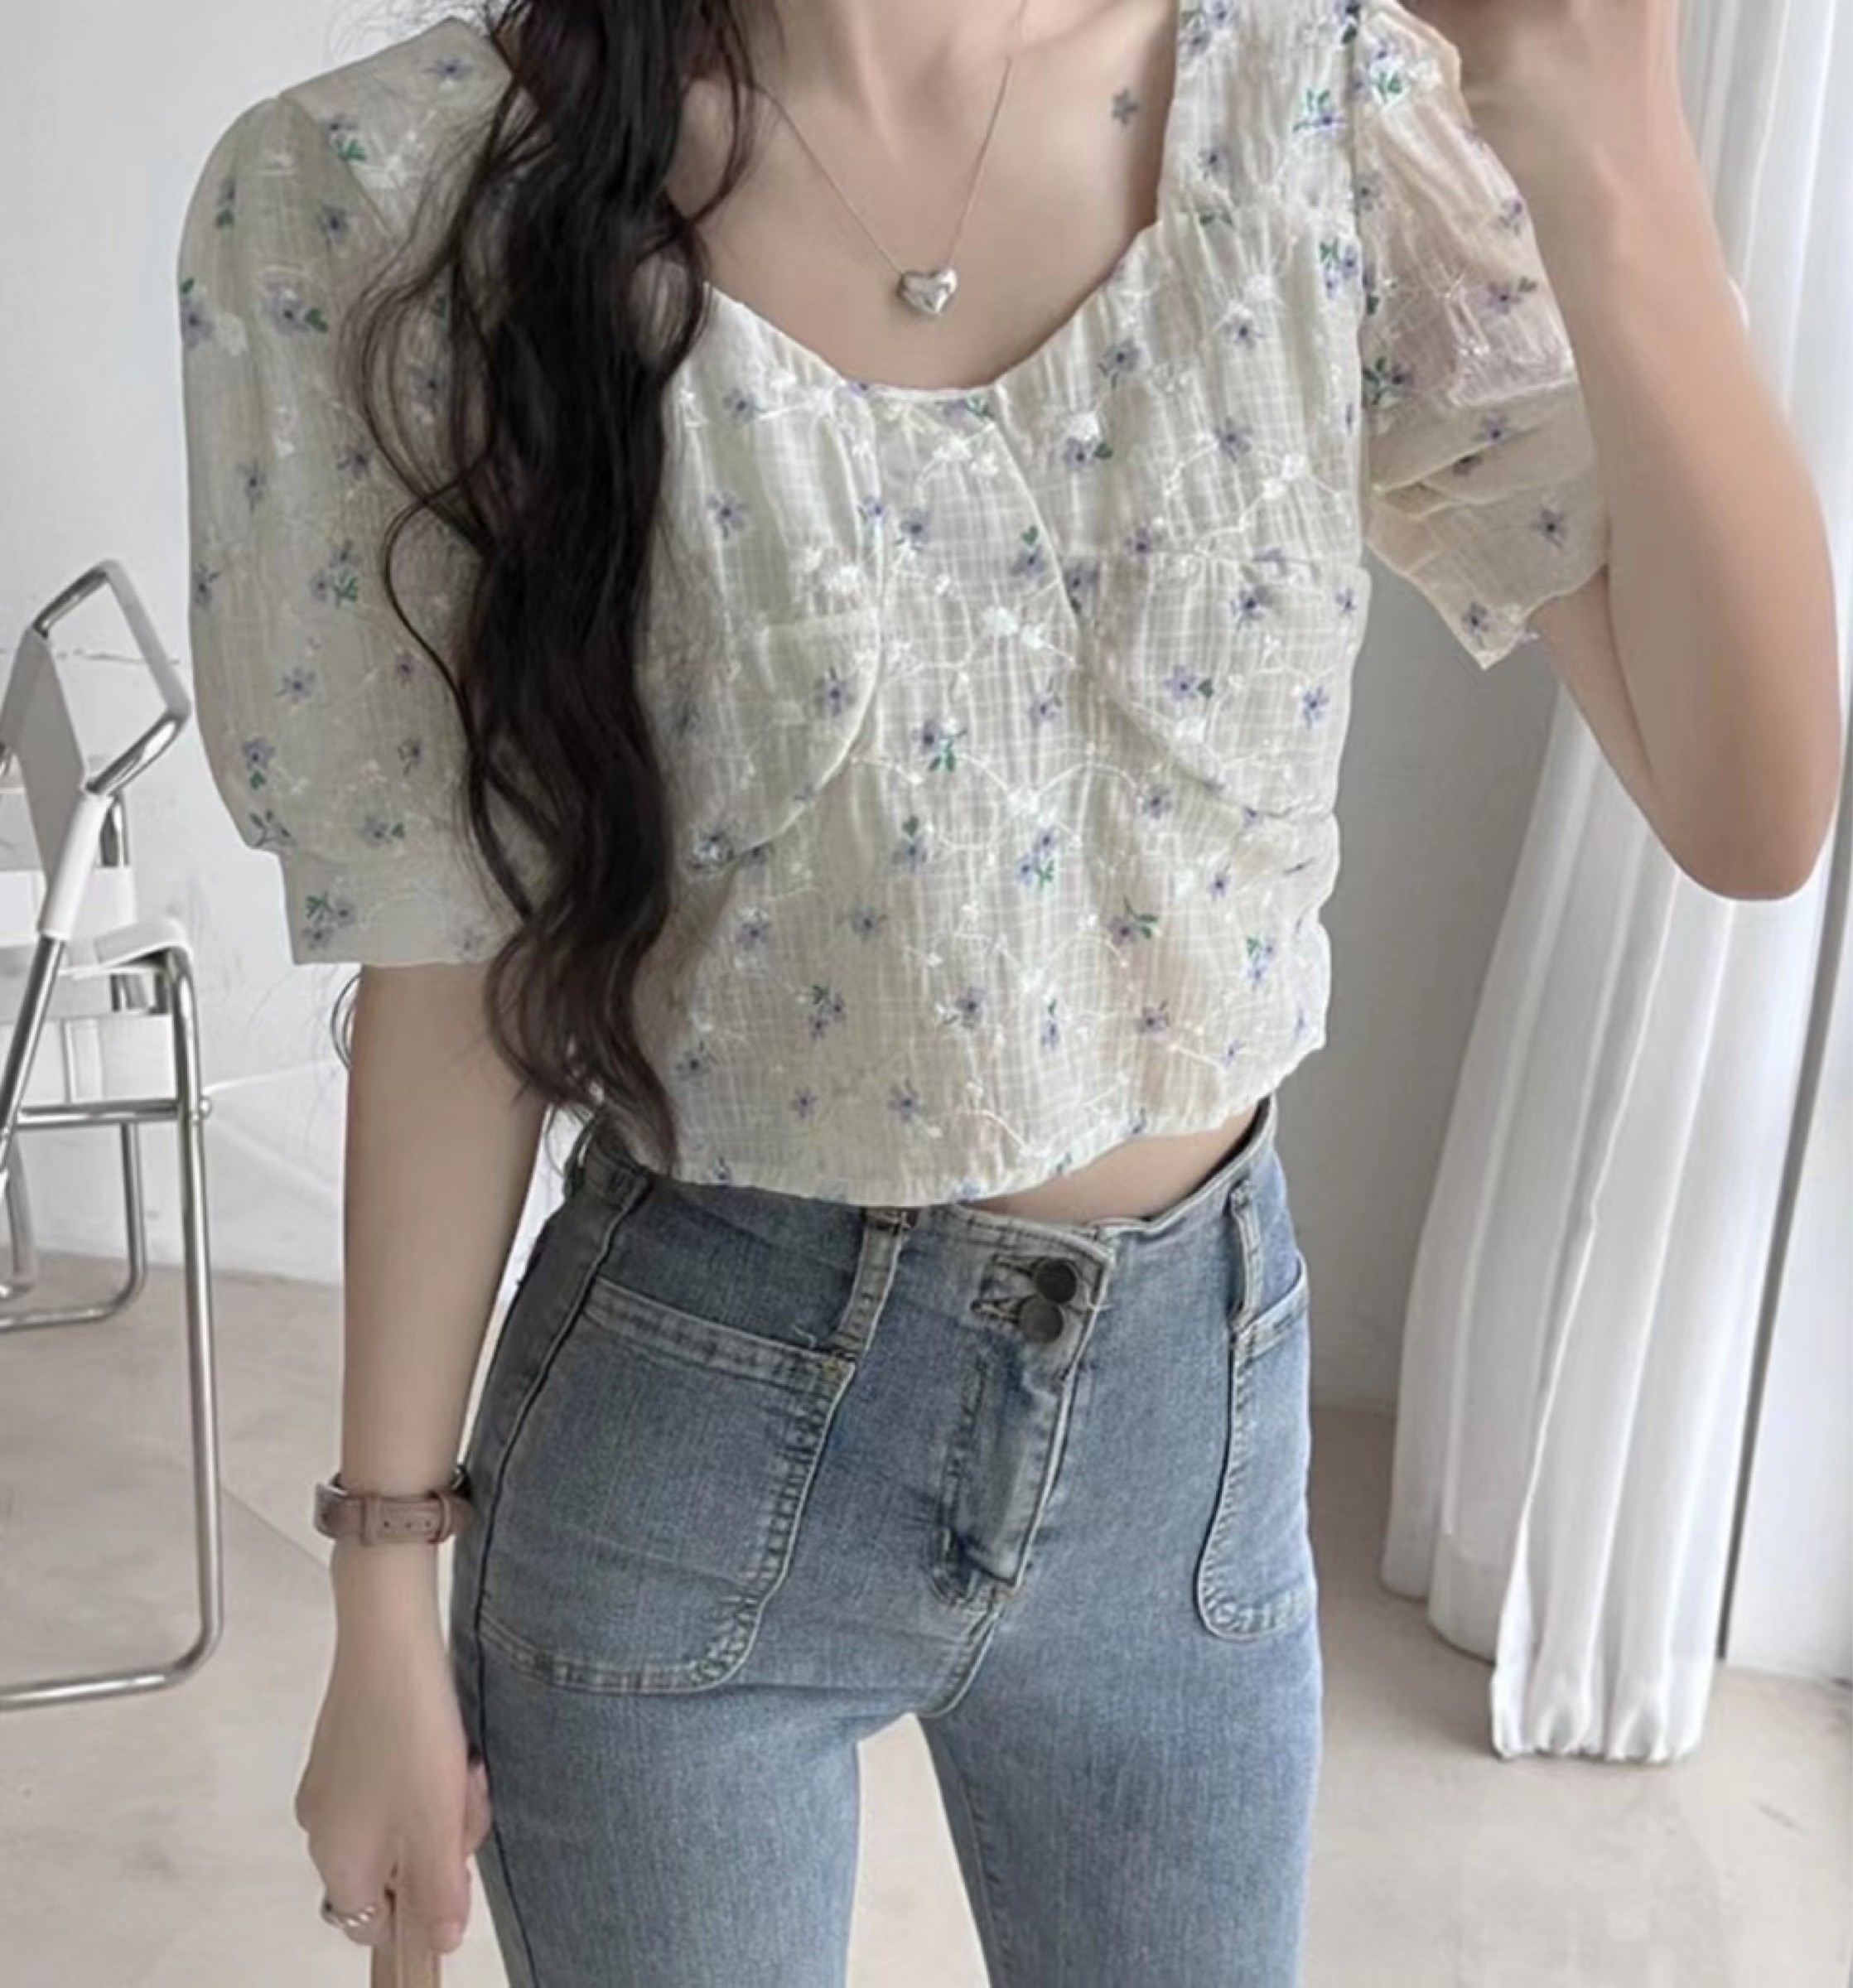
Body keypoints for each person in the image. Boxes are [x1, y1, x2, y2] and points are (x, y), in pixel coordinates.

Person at [175, 0, 1838, 1981]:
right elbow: (454, 949)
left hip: (1187, 1441)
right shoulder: (413, 188)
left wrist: (1609, 145)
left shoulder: (1322, 116)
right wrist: (382, 1597)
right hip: (689, 1422)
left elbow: (1752, 812)